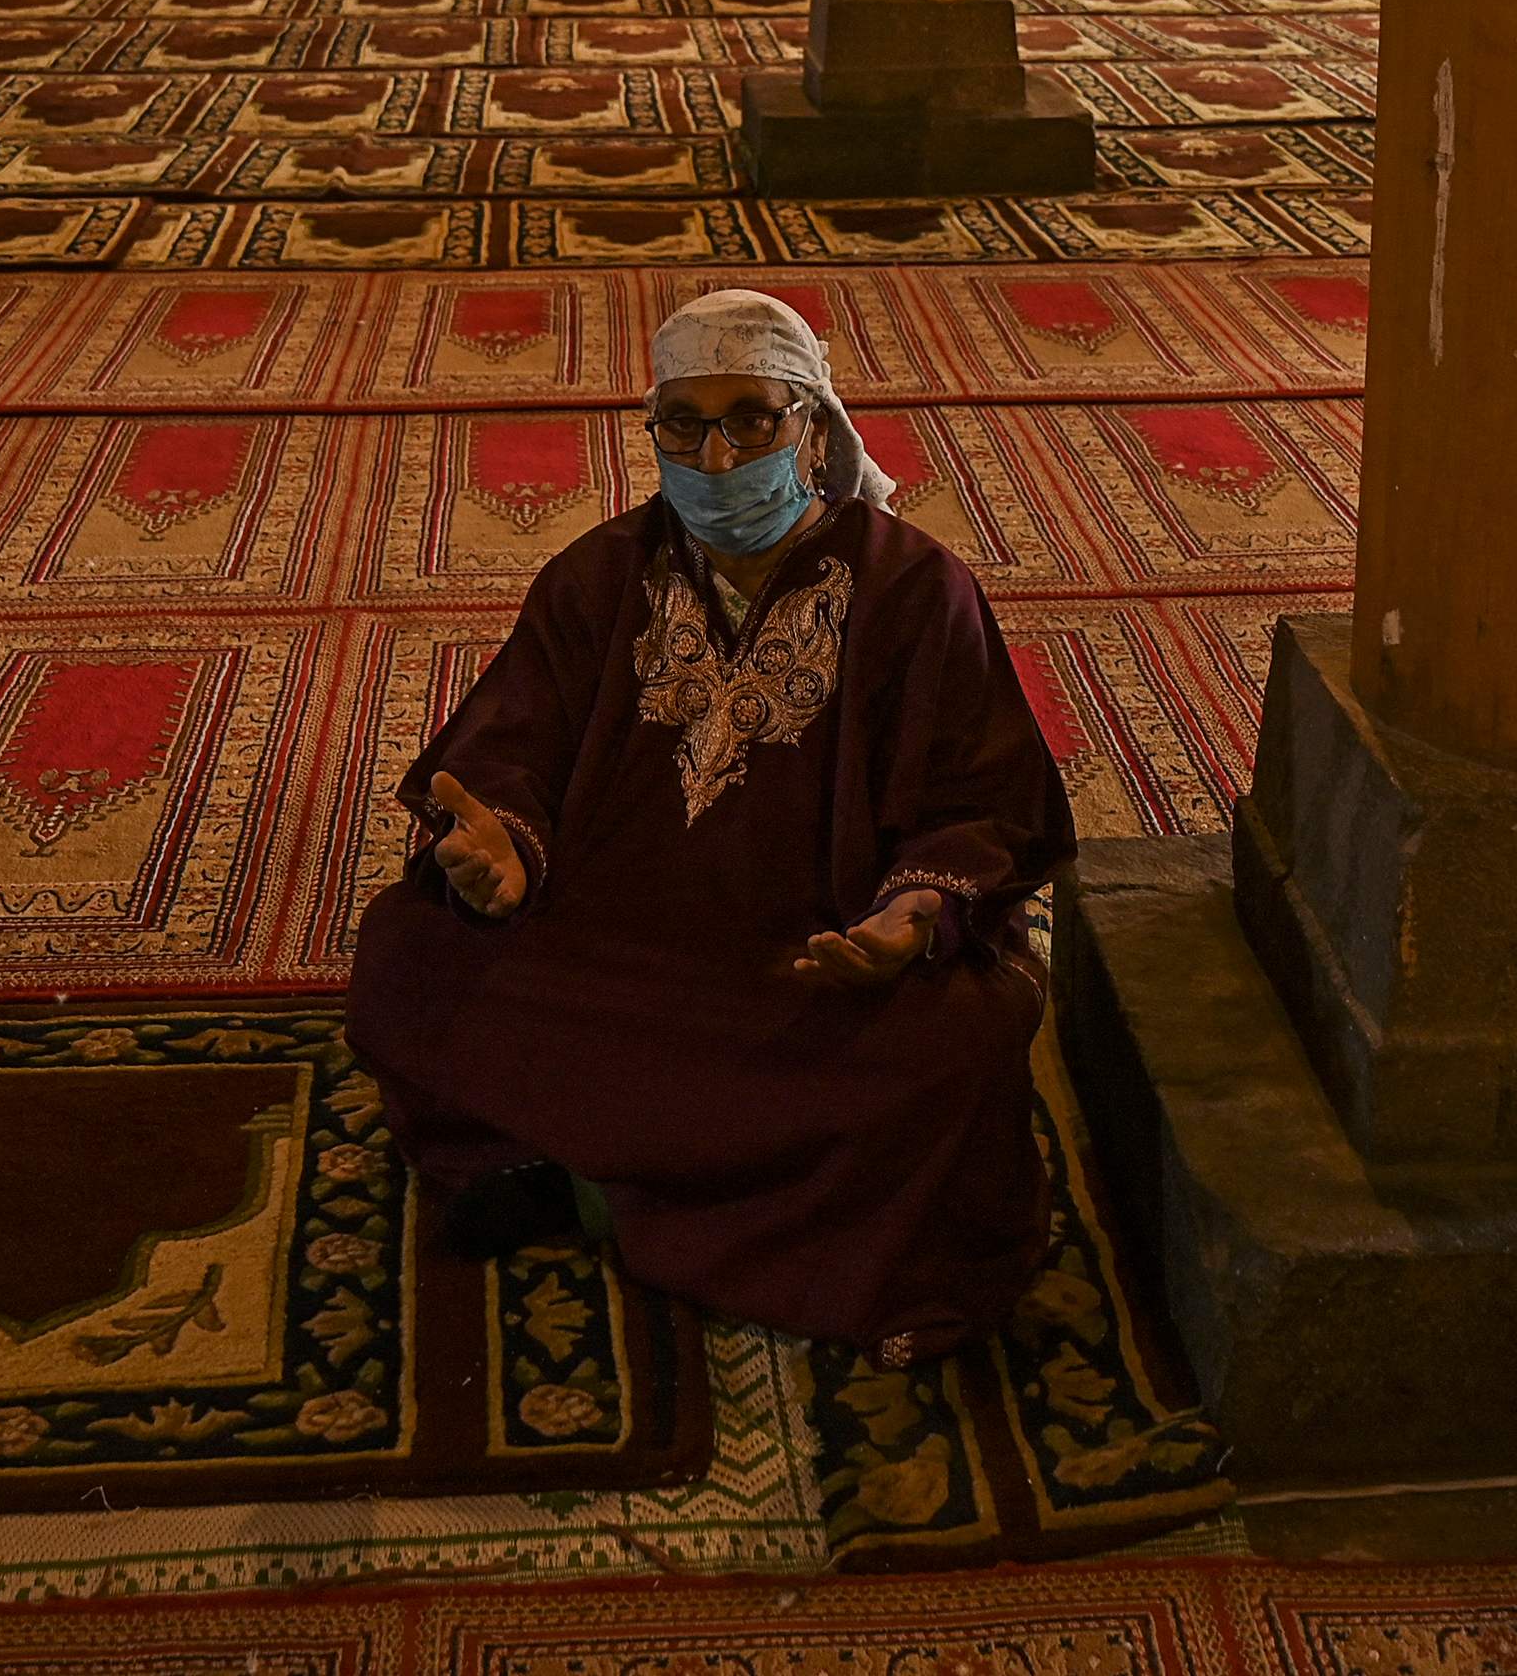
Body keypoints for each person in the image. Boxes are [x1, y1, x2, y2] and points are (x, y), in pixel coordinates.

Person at [346, 289, 1075, 1364]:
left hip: (815, 966)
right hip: (616, 942)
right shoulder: (597, 577)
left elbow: (980, 801)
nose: (719, 455)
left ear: (812, 426)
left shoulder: (919, 591)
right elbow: (513, 749)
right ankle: (696, 1195)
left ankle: (592, 1178)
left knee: (953, 1049)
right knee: (408, 950)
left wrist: (912, 917)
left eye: (751, 417)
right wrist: (499, 842)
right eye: (684, 424)